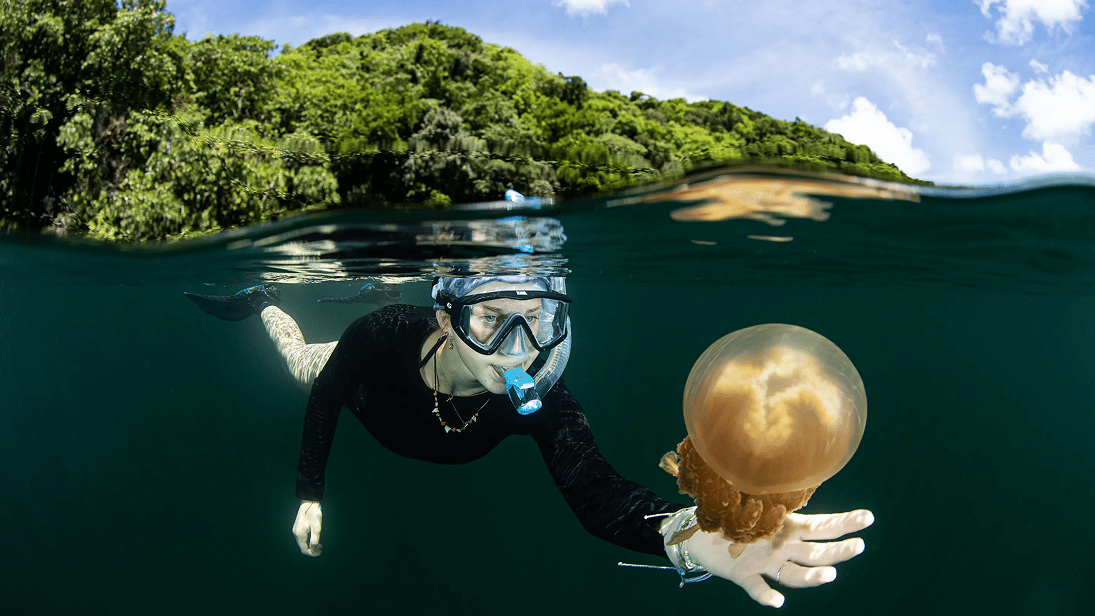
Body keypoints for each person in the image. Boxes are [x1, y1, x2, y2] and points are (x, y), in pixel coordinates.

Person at [185, 276, 873, 608]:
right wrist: (310, 493)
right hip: (362, 391)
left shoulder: (538, 397)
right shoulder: (382, 333)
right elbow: (330, 399)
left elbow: (594, 489)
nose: (516, 350)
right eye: (491, 320)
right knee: (300, 365)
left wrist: (692, 536)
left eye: (535, 321)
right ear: (448, 316)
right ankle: (265, 301)